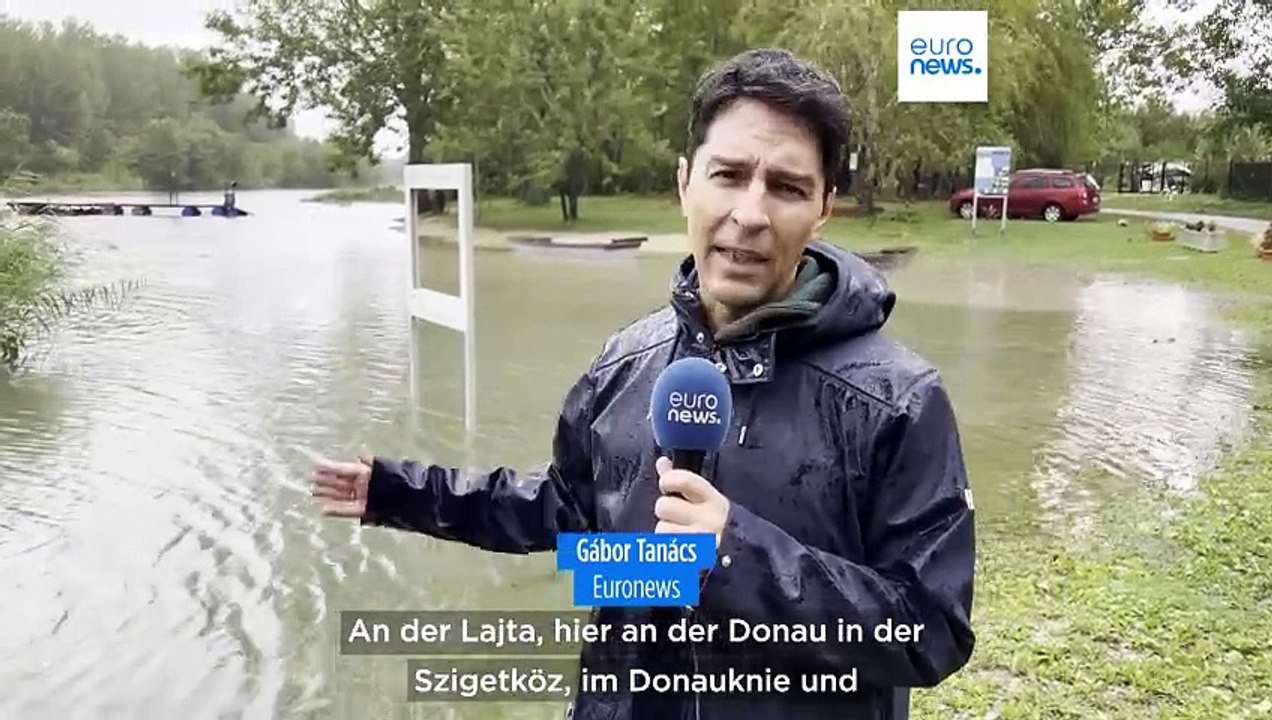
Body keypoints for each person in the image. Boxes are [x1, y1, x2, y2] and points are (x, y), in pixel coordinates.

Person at [312, 47, 975, 720]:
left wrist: (735, 554)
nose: (750, 213)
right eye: (729, 174)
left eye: (786, 187)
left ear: (825, 207)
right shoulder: (626, 361)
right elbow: (566, 511)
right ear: (686, 182)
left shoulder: (896, 401)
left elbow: (931, 630)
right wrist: (399, 493)